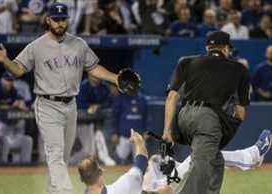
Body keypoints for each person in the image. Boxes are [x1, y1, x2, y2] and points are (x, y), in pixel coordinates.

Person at [0, 3, 120, 194]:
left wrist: (115, 78)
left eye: (63, 19)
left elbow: (93, 68)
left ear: (67, 20)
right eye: (56, 19)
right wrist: (5, 61)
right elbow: (18, 69)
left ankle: (53, 192)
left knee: (62, 158)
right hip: (47, 104)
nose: (60, 23)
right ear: (48, 20)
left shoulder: (78, 44)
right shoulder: (37, 46)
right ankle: (66, 192)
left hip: (71, 105)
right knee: (55, 154)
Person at [162, 31, 250, 194]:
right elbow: (240, 112)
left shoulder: (186, 61)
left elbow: (172, 97)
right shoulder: (239, 69)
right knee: (200, 170)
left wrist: (167, 130)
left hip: (183, 118)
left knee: (215, 162)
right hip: (207, 120)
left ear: (207, 47)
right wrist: (227, 125)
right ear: (225, 49)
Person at [143, 129, 272, 194]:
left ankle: (252, 157)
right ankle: (252, 157)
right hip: (166, 187)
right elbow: (166, 191)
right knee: (200, 156)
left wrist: (168, 162)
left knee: (157, 160)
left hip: (162, 184)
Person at [78, 129, 148, 194]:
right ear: (101, 171)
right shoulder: (120, 187)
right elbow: (142, 161)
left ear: (82, 179)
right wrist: (138, 141)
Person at [0, 72, 32, 164]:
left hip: (1, 122)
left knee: (23, 139)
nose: (9, 83)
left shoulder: (13, 90)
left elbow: (20, 102)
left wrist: (20, 104)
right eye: (7, 80)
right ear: (2, 79)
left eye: (11, 81)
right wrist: (6, 109)